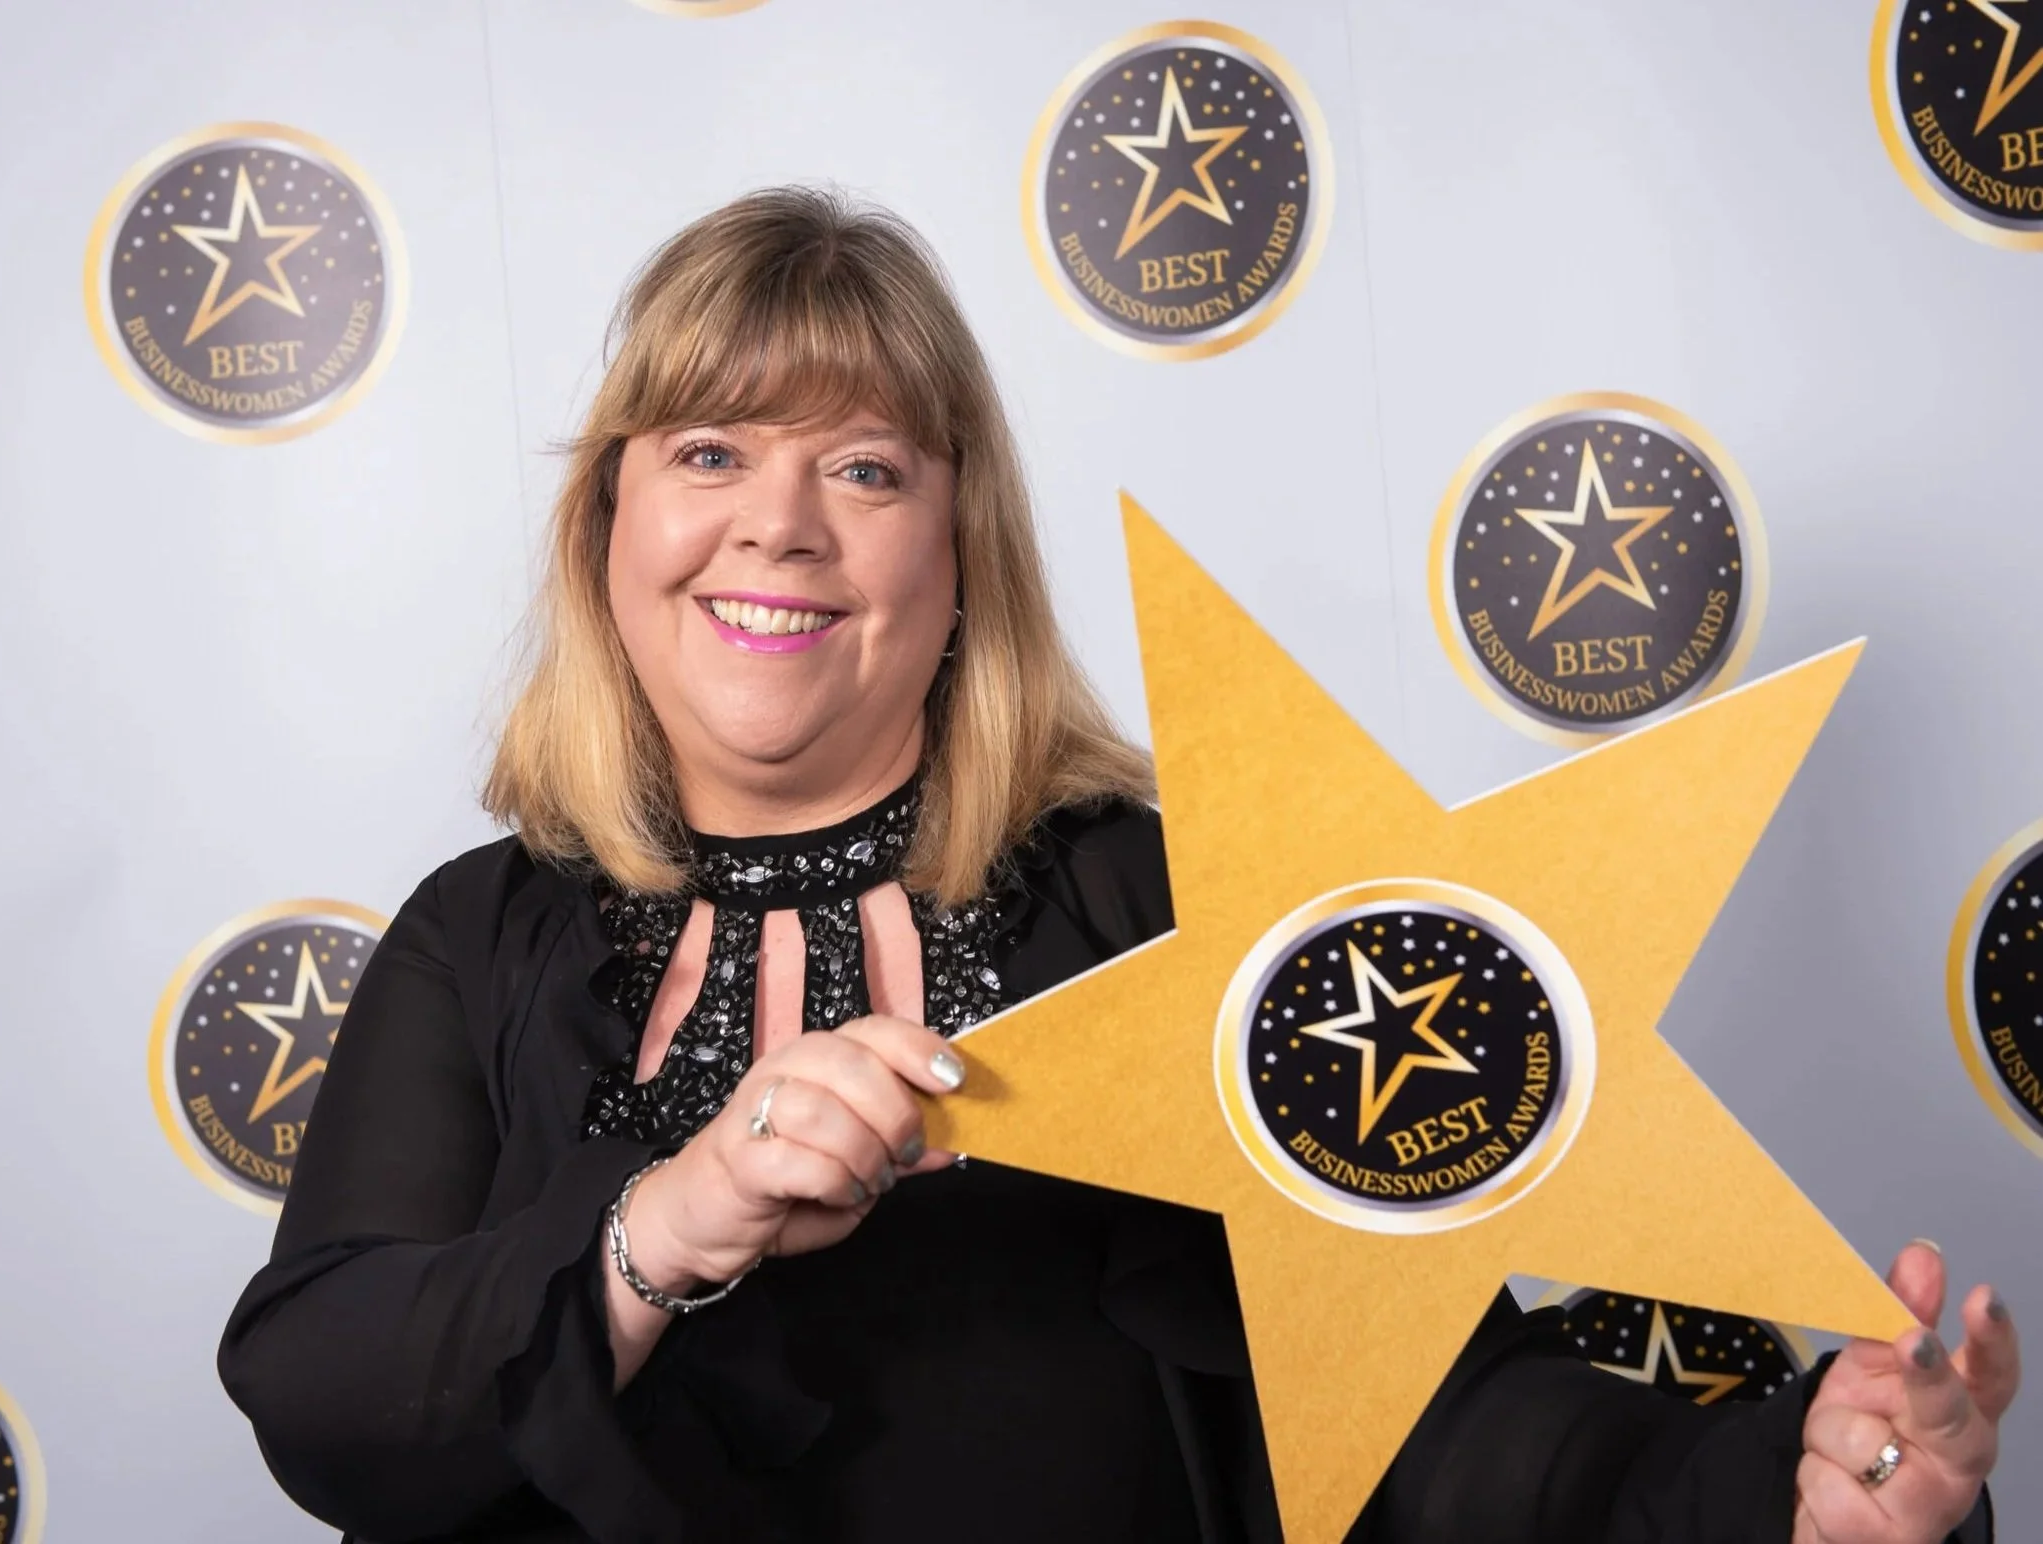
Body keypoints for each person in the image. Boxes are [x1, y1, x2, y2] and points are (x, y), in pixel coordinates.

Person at [218, 187, 2018, 1544]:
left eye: (863, 465)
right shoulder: (484, 939)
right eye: (708, 451)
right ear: (611, 519)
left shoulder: (1174, 903)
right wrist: (663, 1228)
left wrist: (1779, 1491)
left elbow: (1427, 1428)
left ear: (960, 548)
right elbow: (328, 1403)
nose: (777, 521)